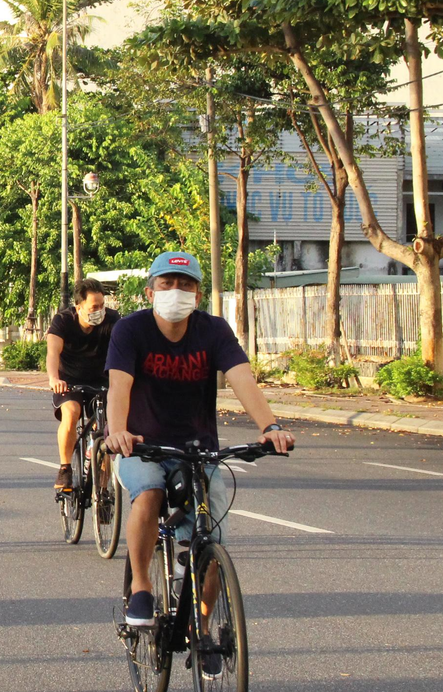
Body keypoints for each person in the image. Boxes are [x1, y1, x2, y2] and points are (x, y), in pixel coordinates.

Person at [103, 251, 295, 649]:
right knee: (149, 495)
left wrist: (270, 426)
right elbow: (119, 386)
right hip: (142, 445)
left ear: (198, 294)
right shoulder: (131, 330)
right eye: (168, 283)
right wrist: (118, 432)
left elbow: (242, 378)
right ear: (150, 290)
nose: (176, 291)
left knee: (211, 545)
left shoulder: (213, 331)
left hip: (197, 449)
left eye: (186, 284)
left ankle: (200, 628)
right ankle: (141, 587)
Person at [46, 277, 120, 491]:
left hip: (102, 381)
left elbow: (125, 351)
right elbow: (53, 353)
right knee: (71, 412)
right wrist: (54, 379)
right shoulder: (63, 321)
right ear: (79, 307)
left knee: (107, 431)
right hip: (69, 381)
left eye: (102, 305)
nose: (100, 311)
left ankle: (103, 491)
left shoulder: (113, 321)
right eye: (94, 307)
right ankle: (65, 468)